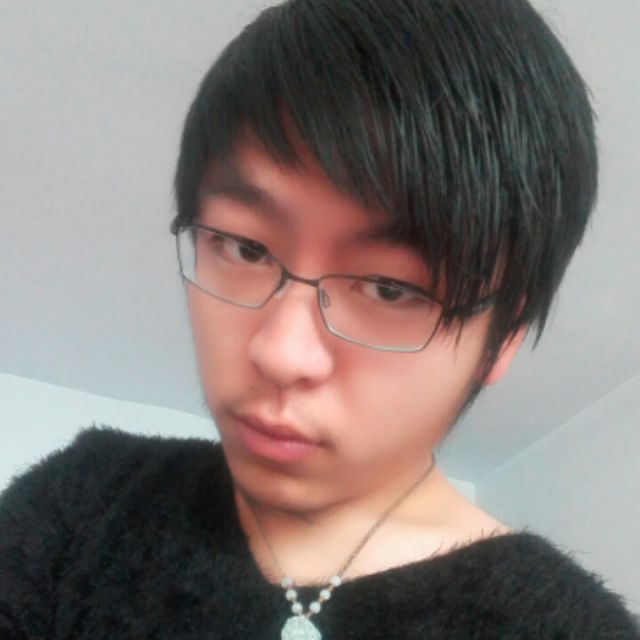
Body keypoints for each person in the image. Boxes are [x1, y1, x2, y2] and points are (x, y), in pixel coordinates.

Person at [1, 0, 638, 638]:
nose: (281, 353)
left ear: (504, 338)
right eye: (245, 248)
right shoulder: (90, 497)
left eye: (389, 288)